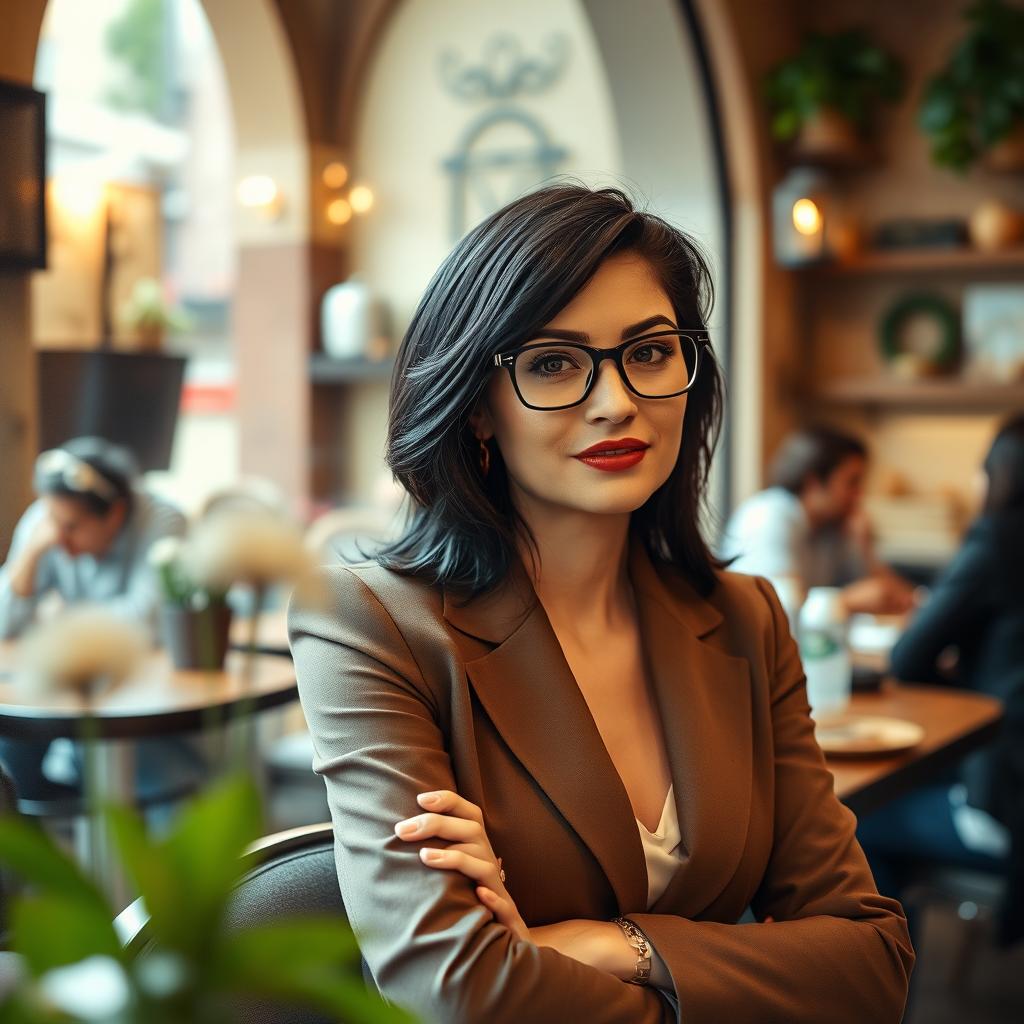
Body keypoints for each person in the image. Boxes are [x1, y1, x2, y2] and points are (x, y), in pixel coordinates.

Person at [288, 184, 913, 1023]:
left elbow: (873, 962)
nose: (616, 399)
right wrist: (732, 978)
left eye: (650, 352)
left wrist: (618, 944)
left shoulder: (746, 619)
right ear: (477, 407)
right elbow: (453, 991)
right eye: (552, 363)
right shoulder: (371, 621)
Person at [857, 414, 1024, 949]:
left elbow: (907, 658)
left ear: (1000, 474)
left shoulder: (997, 539)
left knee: (851, 824)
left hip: (1006, 807)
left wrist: (959, 684)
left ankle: (882, 995)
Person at [0, 437, 196, 804]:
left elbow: (144, 622)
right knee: (8, 765)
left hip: (146, 704)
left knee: (158, 785)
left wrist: (54, 630)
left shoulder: (164, 521)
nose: (59, 539)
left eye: (72, 527)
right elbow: (2, 627)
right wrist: (27, 559)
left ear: (116, 514)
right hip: (62, 699)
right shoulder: (49, 520)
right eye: (52, 523)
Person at [719, 427, 916, 616]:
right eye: (852, 483)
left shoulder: (833, 526)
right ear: (813, 483)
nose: (860, 494)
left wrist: (865, 546)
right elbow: (781, 608)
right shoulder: (769, 517)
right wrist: (849, 601)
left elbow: (896, 596)